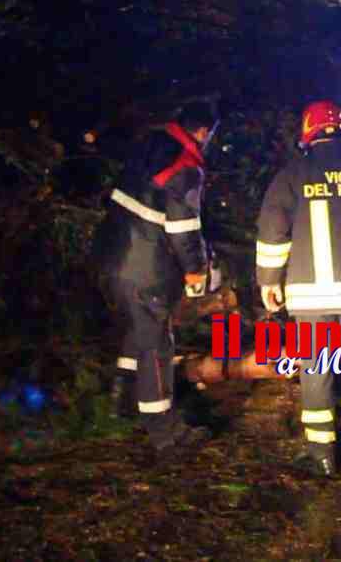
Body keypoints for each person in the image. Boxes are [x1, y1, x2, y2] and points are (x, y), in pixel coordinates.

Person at [255, 100, 341, 476]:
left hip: (311, 294)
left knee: (316, 368)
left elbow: (272, 234)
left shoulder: (292, 176)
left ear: (307, 132)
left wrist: (268, 281)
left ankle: (321, 455)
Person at [92, 102, 219, 452]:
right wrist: (196, 270)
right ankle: (165, 432)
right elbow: (183, 229)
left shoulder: (148, 147)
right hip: (146, 268)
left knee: (137, 329)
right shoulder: (186, 166)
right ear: (204, 132)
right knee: (157, 345)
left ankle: (121, 402)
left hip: (112, 256)